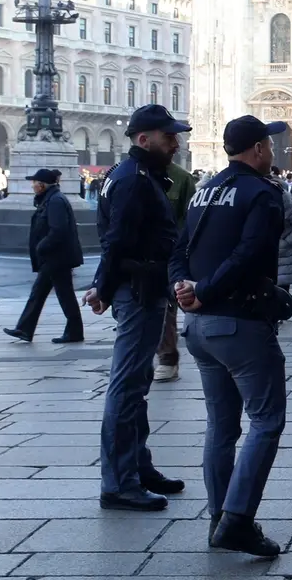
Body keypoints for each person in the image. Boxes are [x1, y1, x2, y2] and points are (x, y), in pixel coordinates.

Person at [169, 115, 288, 557]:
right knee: (266, 419)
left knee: (221, 425)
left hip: (199, 328)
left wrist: (184, 290)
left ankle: (219, 516)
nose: (272, 152)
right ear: (257, 149)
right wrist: (208, 291)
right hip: (239, 323)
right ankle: (238, 520)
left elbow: (178, 249)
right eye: (269, 146)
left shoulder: (204, 191)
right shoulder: (261, 193)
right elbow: (248, 254)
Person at [83, 104, 190, 512]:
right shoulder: (133, 181)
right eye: (168, 136)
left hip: (141, 288)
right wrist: (103, 287)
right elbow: (117, 241)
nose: (175, 142)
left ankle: (138, 467)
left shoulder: (132, 175)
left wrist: (104, 285)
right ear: (144, 139)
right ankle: (119, 482)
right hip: (139, 290)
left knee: (137, 385)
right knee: (127, 387)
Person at [3, 169, 84, 344]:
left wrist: (42, 246)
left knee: (59, 294)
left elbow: (59, 229)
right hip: (55, 256)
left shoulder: (55, 201)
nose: (32, 186)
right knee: (44, 293)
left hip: (57, 256)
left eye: (34, 182)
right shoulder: (51, 199)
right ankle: (25, 329)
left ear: (42, 184)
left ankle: (73, 332)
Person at [154, 161, 197, 383]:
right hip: (135, 258)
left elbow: (192, 223)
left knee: (166, 308)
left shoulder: (181, 179)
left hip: (169, 256)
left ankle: (167, 358)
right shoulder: (126, 174)